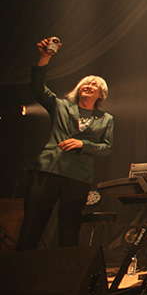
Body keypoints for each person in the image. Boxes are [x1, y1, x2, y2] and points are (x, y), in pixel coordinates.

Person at [16, 37, 114, 250]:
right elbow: (37, 88)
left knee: (69, 227)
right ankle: (19, 267)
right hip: (49, 169)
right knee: (32, 223)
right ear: (79, 88)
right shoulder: (60, 106)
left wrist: (82, 144)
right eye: (86, 83)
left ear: (101, 94)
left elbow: (107, 148)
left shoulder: (106, 119)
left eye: (94, 85)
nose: (89, 86)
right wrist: (44, 58)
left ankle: (66, 270)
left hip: (78, 175)